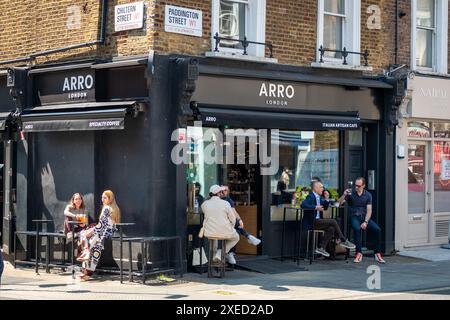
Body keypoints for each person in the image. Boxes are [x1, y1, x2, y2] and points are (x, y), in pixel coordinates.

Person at [337, 177, 385, 264]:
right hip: (354, 216)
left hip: (364, 217)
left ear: (363, 186)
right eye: (355, 185)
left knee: (377, 229)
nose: (356, 187)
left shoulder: (368, 195)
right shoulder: (350, 193)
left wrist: (366, 222)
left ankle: (377, 253)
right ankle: (358, 253)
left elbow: (369, 210)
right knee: (357, 228)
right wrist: (344, 195)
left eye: (358, 186)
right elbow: (339, 203)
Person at [301, 181, 355, 257]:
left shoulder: (319, 197)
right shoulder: (311, 196)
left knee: (331, 228)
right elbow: (303, 205)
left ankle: (321, 248)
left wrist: (326, 199)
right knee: (333, 221)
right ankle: (343, 239)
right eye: (321, 187)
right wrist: (315, 207)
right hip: (311, 222)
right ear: (315, 188)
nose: (323, 189)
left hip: (317, 222)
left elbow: (325, 208)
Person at [78, 190, 121, 280]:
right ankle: (87, 274)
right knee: (96, 252)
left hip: (100, 233)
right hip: (106, 234)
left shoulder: (106, 208)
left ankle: (86, 252)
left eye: (104, 197)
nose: (102, 199)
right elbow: (111, 225)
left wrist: (92, 230)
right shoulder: (115, 208)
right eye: (102, 197)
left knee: (83, 234)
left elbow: (101, 225)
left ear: (110, 198)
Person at [200, 185, 240, 265]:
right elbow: (233, 219)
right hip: (224, 231)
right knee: (236, 238)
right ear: (218, 193)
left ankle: (213, 259)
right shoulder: (225, 203)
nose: (222, 193)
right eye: (221, 192)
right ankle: (219, 253)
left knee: (213, 238)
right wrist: (232, 226)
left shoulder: (204, 204)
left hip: (209, 232)